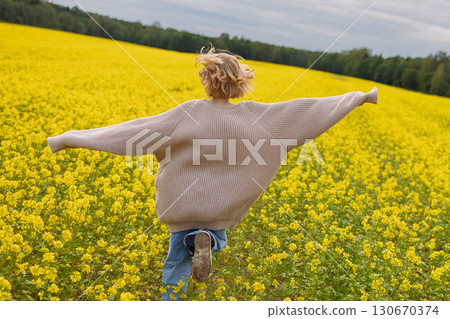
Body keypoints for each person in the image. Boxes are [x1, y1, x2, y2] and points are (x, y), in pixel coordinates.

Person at [46, 46, 378, 301]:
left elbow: (134, 131)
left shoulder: (186, 113)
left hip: (182, 204)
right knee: (216, 237)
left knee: (176, 262)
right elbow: (304, 113)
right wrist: (358, 98)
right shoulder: (255, 118)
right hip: (219, 210)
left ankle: (171, 297)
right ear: (240, 84)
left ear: (206, 80)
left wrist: (72, 138)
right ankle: (208, 242)